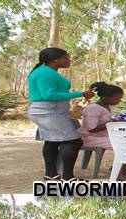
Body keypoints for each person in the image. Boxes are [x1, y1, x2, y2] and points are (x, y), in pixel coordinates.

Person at [28, 47, 96, 182]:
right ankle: (68, 177)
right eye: (66, 57)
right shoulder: (45, 73)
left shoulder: (48, 72)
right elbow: (49, 94)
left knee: (52, 141)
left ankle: (51, 174)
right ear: (55, 59)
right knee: (73, 141)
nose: (69, 60)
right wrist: (80, 94)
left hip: (52, 111)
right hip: (48, 112)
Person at [75, 82, 126, 180]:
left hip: (103, 135)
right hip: (90, 137)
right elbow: (92, 128)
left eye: (120, 99)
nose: (118, 101)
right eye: (116, 99)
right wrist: (112, 122)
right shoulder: (93, 108)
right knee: (124, 145)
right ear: (104, 97)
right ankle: (119, 173)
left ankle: (121, 169)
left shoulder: (109, 107)